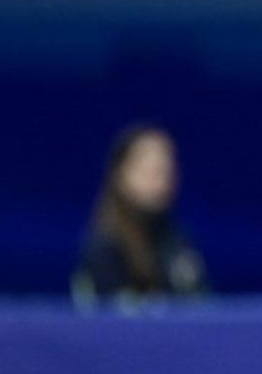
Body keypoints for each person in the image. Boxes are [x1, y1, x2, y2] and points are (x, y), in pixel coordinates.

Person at [72, 126, 207, 304]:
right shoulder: (104, 249)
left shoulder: (178, 242)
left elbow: (201, 305)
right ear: (120, 173)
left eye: (166, 168)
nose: (159, 178)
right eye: (149, 168)